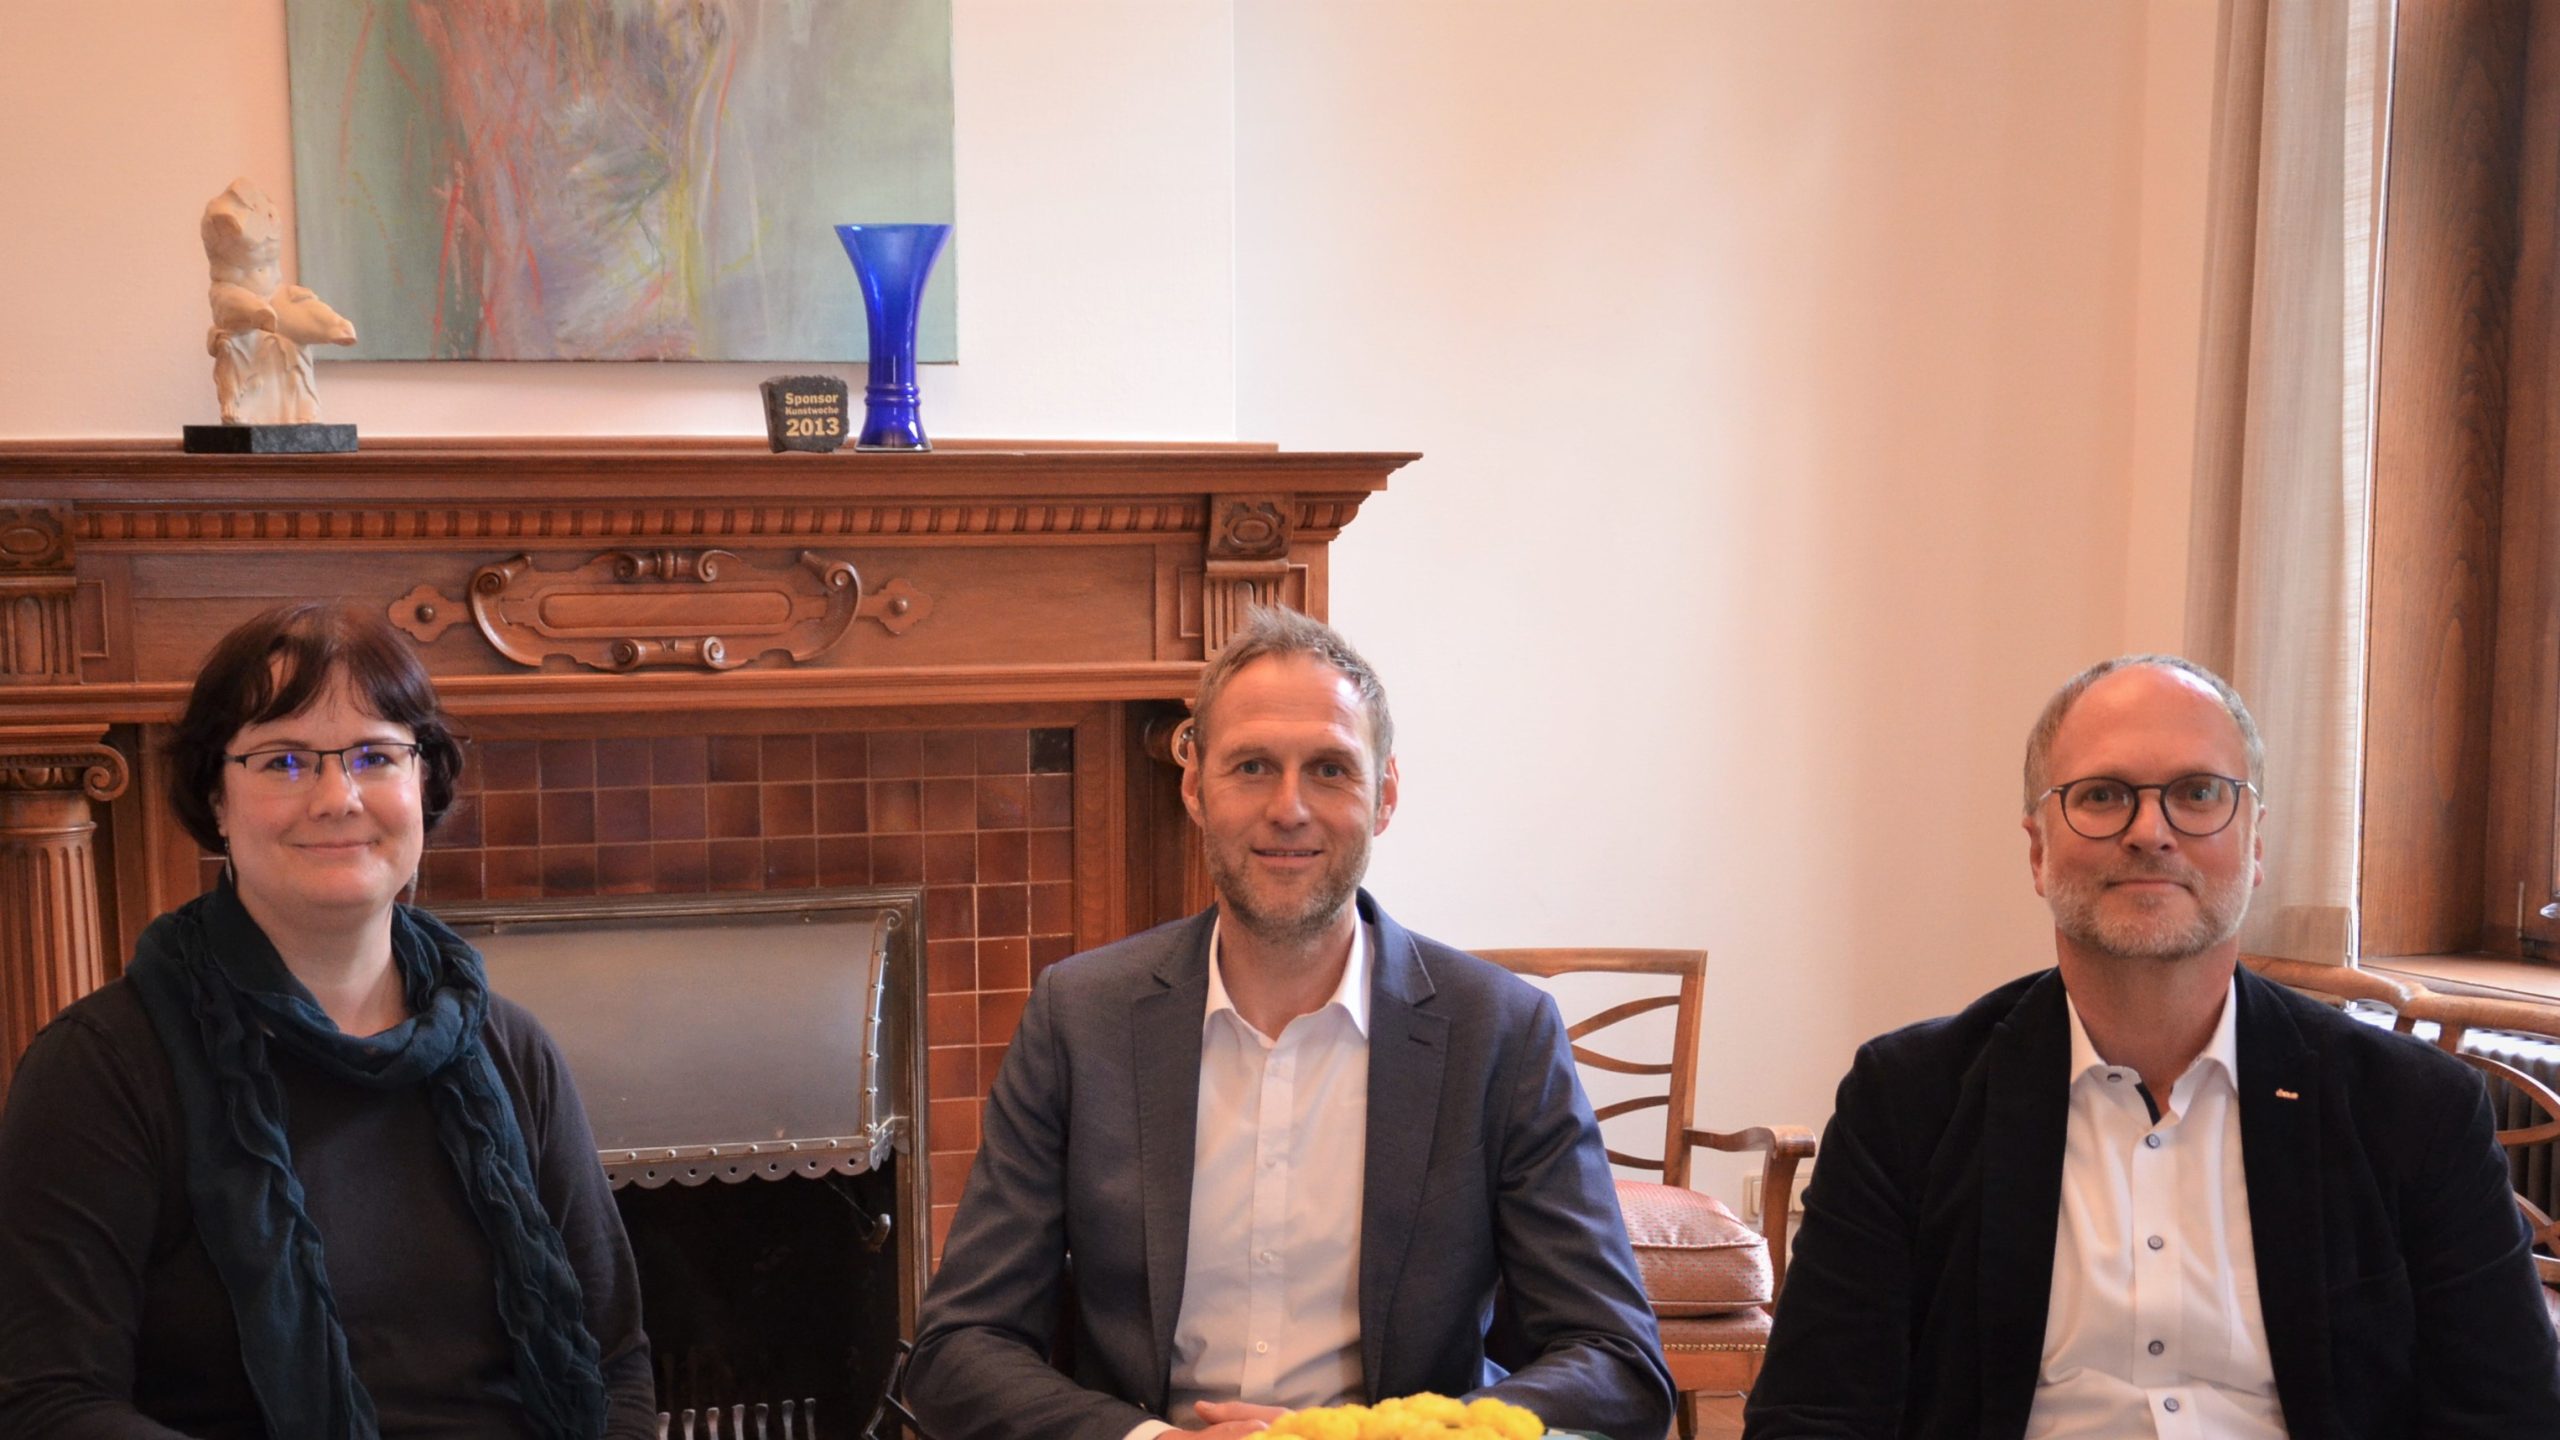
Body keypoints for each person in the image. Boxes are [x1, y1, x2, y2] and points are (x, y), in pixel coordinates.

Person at [904, 607, 1672, 1440]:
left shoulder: (1502, 1034)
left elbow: (1617, 1363)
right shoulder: (1079, 1018)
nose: (1289, 808)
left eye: (1331, 770)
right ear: (1194, 788)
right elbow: (957, 1350)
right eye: (1253, 767)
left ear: (1385, 796)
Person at [1745, 655, 2560, 1440]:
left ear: (2256, 844)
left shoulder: (2415, 1110)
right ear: (2038, 851)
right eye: (2102, 796)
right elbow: (1814, 1416)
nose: (2150, 832)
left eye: (2198, 793)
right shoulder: (1906, 1103)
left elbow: (2508, 1417)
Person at [0, 602, 657, 1438]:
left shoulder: (511, 1049)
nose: (338, 798)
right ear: (216, 798)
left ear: (424, 782)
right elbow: (52, 1404)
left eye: (375, 757)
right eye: (283, 761)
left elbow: (614, 1366)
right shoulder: (102, 1068)